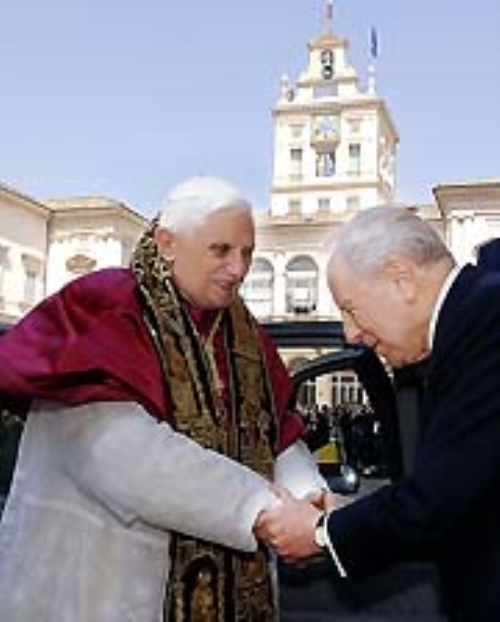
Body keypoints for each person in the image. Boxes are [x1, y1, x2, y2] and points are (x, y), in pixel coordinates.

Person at [0, 175, 328, 622]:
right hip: (101, 584)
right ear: (168, 242)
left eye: (247, 253)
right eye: (221, 250)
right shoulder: (106, 306)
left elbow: (277, 431)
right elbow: (121, 455)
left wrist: (310, 498)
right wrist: (263, 510)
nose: (238, 269)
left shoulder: (244, 333)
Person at [255, 205, 500, 622]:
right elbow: (464, 490)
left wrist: (319, 533)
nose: (350, 333)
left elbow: (437, 501)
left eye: (350, 308)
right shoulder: (469, 321)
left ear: (401, 278)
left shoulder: (488, 319)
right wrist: (341, 513)